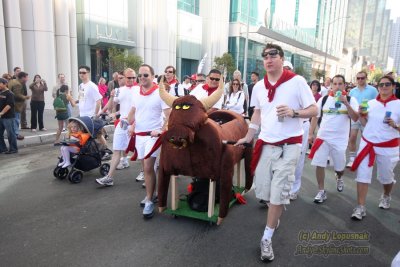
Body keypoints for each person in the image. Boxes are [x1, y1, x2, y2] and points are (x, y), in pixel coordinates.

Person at [235, 43, 317, 262]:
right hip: (266, 144)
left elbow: (314, 109)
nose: (268, 59)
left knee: (278, 192)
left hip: (290, 145)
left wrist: (294, 112)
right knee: (264, 192)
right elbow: (257, 115)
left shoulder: (296, 81)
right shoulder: (259, 86)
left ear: (281, 58)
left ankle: (267, 237)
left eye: (273, 55)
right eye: (264, 56)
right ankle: (275, 212)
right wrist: (248, 137)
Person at [350, 75, 400, 220]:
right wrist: (362, 115)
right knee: (362, 175)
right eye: (381, 85)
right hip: (368, 143)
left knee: (386, 177)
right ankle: (360, 207)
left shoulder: (398, 104)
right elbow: (365, 123)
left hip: (388, 146)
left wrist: (395, 125)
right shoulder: (370, 103)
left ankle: (386, 195)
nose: (384, 87)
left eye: (387, 84)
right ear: (378, 87)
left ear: (393, 86)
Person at [127, 64, 170, 219]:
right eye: (140, 75)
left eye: (146, 75)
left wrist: (161, 130)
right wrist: (129, 124)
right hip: (139, 135)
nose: (142, 78)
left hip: (154, 137)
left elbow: (169, 116)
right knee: (146, 168)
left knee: (147, 165)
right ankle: (153, 194)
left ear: (152, 76)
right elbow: (133, 112)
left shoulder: (160, 93)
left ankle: (150, 200)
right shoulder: (136, 92)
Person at [308, 75, 359, 203]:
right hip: (323, 137)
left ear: (344, 85)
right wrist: (310, 134)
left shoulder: (351, 99)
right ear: (331, 85)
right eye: (334, 83)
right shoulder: (324, 99)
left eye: (340, 83)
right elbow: (315, 116)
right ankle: (321, 191)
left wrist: (345, 103)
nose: (337, 86)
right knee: (319, 164)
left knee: (339, 167)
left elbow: (355, 118)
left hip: (340, 140)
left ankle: (339, 176)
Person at [96, 68, 138, 186]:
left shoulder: (139, 89)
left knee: (139, 150)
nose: (132, 80)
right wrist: (111, 97)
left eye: (134, 77)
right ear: (123, 78)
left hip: (137, 124)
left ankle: (144, 172)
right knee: (117, 150)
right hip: (123, 123)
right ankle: (109, 177)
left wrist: (134, 124)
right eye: (129, 77)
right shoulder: (119, 90)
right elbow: (110, 107)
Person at [346, 71, 378, 168]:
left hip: (367, 118)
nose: (360, 80)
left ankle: (365, 158)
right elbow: (350, 104)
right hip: (355, 117)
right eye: (358, 78)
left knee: (367, 139)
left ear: (366, 78)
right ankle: (352, 159)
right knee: (352, 138)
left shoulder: (373, 90)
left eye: (362, 78)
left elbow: (377, 103)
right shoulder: (352, 91)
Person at [8, 71, 30, 140]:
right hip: (16, 105)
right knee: (16, 120)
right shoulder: (18, 84)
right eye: (26, 77)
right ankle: (16, 134)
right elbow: (16, 95)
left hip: (10, 104)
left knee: (13, 120)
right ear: (23, 77)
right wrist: (25, 97)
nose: (27, 79)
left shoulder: (12, 81)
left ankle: (13, 133)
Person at [0, 78, 17, 154]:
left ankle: (13, 149)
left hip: (8, 117)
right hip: (1, 117)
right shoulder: (0, 93)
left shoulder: (10, 94)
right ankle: (3, 149)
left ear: (5, 84)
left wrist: (1, 113)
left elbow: (9, 105)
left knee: (10, 133)